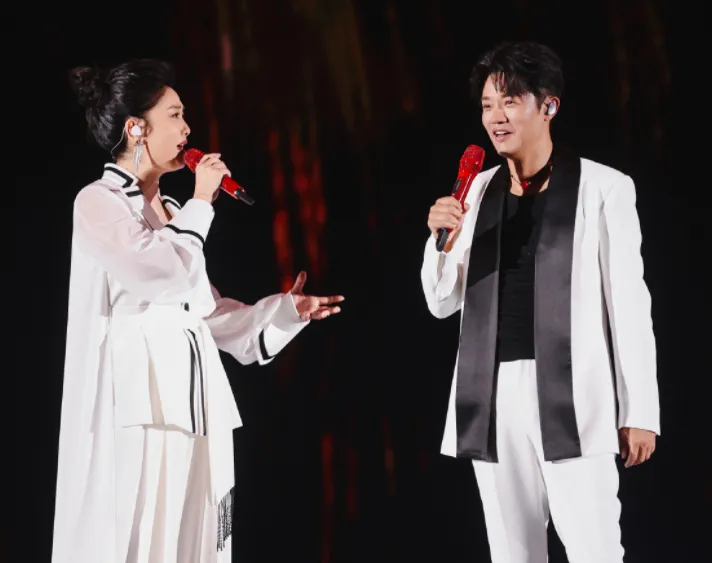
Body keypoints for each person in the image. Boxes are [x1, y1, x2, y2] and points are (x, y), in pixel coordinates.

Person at [53, 58, 344, 563]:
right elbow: (159, 272)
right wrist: (203, 201)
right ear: (136, 128)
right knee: (141, 541)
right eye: (175, 115)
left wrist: (283, 313)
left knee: (197, 544)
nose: (188, 129)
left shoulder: (171, 213)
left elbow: (203, 313)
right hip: (139, 411)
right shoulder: (98, 202)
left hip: (194, 406)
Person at [421, 41, 659, 562]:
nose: (495, 117)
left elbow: (630, 307)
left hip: (574, 396)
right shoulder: (474, 192)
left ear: (548, 105)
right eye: (487, 105)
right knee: (512, 554)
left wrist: (639, 409)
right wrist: (438, 241)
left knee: (596, 550)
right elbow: (441, 302)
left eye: (510, 101)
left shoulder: (604, 188)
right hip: (490, 394)